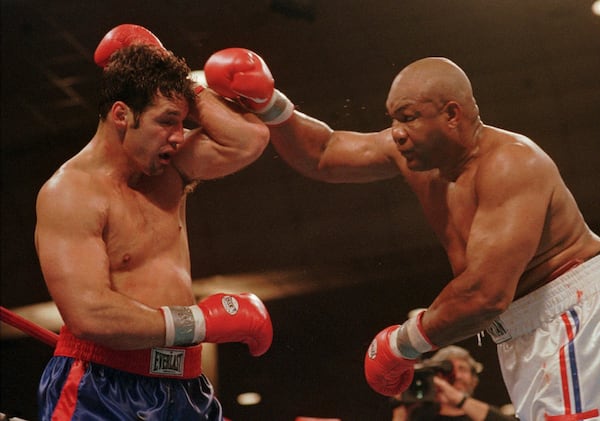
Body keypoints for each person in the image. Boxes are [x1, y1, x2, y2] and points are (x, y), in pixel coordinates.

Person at [201, 49, 600, 421]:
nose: (396, 132)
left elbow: (485, 293)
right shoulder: (415, 159)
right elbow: (324, 152)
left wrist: (403, 344)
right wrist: (269, 103)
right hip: (525, 330)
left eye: (407, 117)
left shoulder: (512, 164)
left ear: (452, 114)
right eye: (393, 118)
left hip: (572, 315)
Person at [34, 26, 274, 420]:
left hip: (186, 385)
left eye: (183, 122)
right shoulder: (70, 193)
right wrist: (200, 321)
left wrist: (176, 82)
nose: (180, 138)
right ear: (122, 115)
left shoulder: (169, 172)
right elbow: (89, 315)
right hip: (103, 386)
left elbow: (248, 139)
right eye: (167, 122)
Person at [391, 346, 517, 421]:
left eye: (462, 369)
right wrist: (401, 406)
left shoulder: (484, 415)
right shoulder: (420, 416)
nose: (457, 376)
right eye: (448, 371)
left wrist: (458, 399)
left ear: (474, 380)